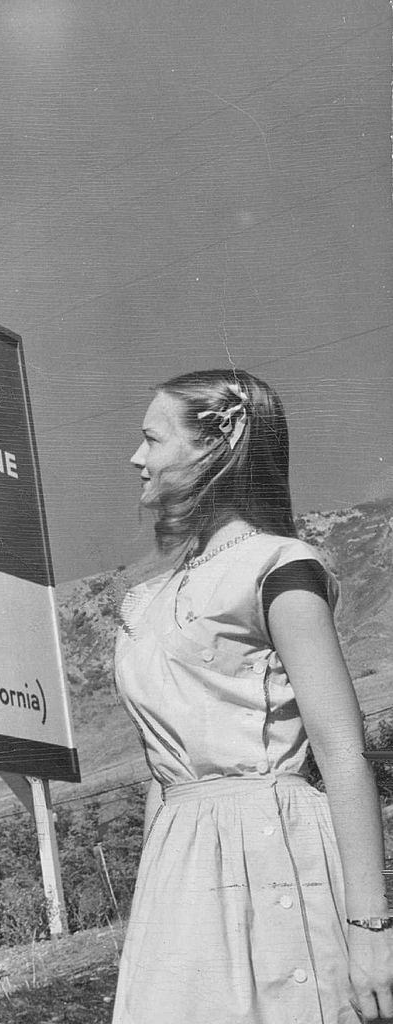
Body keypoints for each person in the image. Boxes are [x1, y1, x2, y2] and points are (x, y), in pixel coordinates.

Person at [112, 368, 393, 1023]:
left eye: (152, 439)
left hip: (273, 852)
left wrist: (371, 928)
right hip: (181, 868)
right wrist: (151, 919)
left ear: (219, 444)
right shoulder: (144, 600)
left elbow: (342, 753)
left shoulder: (278, 567)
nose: (135, 458)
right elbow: (162, 773)